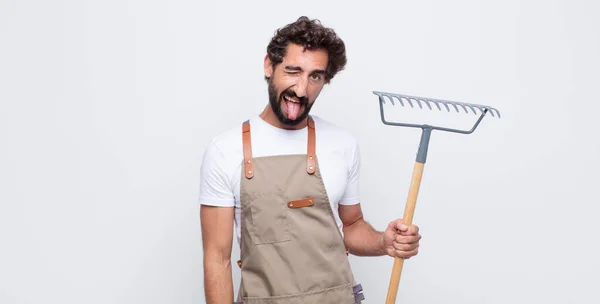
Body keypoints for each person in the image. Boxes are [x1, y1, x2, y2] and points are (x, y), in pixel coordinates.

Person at [199, 16, 422, 304]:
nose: (302, 90)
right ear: (269, 65)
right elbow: (217, 259)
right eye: (293, 71)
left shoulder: (342, 144)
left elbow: (351, 226)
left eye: (315, 76)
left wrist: (384, 242)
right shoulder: (224, 151)